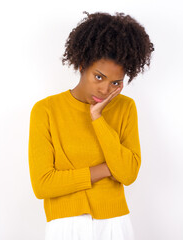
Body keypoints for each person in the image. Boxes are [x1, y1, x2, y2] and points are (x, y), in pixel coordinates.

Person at [28, 11, 154, 240]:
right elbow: (43, 185)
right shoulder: (46, 110)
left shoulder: (125, 108)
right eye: (99, 77)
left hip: (115, 224)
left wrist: (98, 118)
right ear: (82, 64)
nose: (105, 90)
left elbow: (127, 174)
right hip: (65, 227)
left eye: (115, 83)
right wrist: (107, 169)